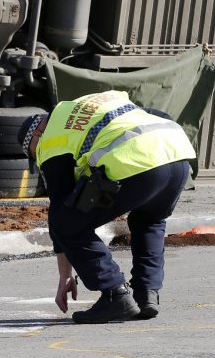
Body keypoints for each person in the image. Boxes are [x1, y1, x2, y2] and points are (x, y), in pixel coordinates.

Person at [18, 90, 196, 323]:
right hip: (176, 154)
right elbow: (156, 113)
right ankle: (146, 294)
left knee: (66, 222)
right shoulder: (83, 106)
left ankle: (115, 295)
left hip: (136, 160)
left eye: (32, 151)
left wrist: (65, 275)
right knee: (149, 219)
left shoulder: (51, 139)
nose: (37, 157)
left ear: (37, 134)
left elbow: (60, 215)